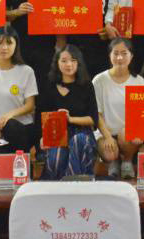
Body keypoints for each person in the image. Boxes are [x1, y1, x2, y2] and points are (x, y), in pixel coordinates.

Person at [0, 25, 40, 157]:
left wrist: (9, 115)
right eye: (0, 43)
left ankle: (24, 164)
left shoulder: (26, 71)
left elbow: (30, 105)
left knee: (10, 126)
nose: (4, 47)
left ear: (16, 45)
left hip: (22, 128)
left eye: (9, 43)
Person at [38, 44, 100, 179]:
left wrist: (70, 119)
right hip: (56, 134)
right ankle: (60, 186)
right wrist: (43, 137)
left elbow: (93, 119)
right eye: (64, 61)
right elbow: (41, 115)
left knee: (78, 140)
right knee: (56, 158)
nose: (69, 64)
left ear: (79, 63)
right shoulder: (49, 85)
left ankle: (76, 183)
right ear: (57, 63)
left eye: (73, 60)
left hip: (81, 131)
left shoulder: (86, 85)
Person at [92, 38, 144, 179]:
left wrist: (140, 131)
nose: (119, 57)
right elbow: (97, 114)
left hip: (127, 133)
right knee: (109, 153)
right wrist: (107, 136)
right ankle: (113, 162)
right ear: (109, 55)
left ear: (131, 56)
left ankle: (127, 161)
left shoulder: (139, 81)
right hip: (105, 132)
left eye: (124, 53)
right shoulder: (99, 80)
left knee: (126, 133)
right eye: (115, 53)